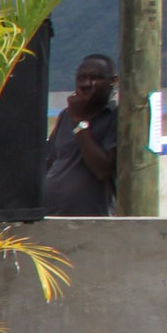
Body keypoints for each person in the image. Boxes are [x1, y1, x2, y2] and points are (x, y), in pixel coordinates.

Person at [43, 53, 119, 217]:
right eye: (81, 78)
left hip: (91, 220)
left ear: (113, 81)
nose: (86, 84)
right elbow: (51, 160)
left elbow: (103, 169)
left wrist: (79, 121)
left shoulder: (116, 116)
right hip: (53, 215)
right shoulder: (66, 115)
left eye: (95, 78)